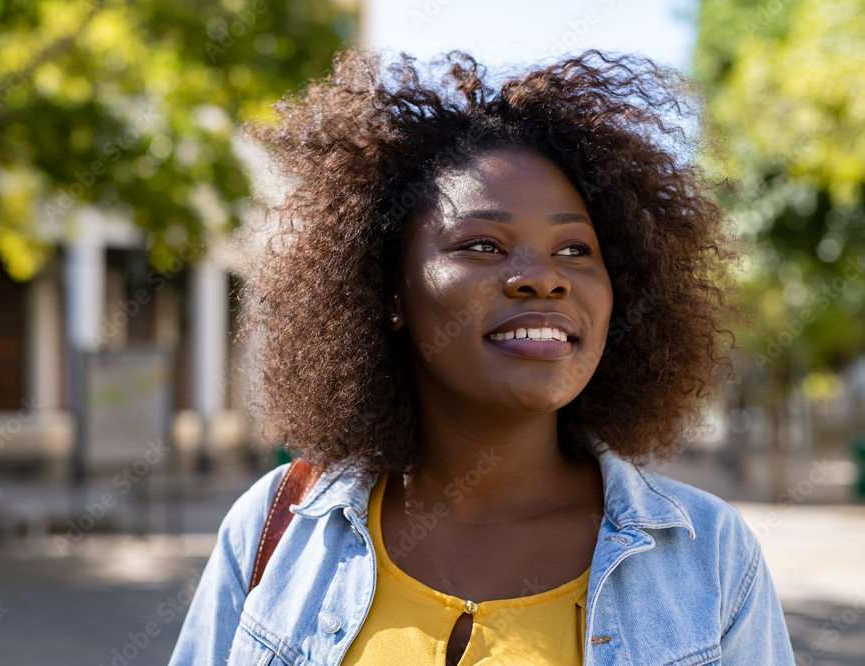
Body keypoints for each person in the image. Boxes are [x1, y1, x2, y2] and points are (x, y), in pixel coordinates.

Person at [169, 50, 795, 665]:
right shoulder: (279, 530)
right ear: (389, 293)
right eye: (484, 245)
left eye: (575, 250)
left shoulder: (707, 554)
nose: (543, 279)